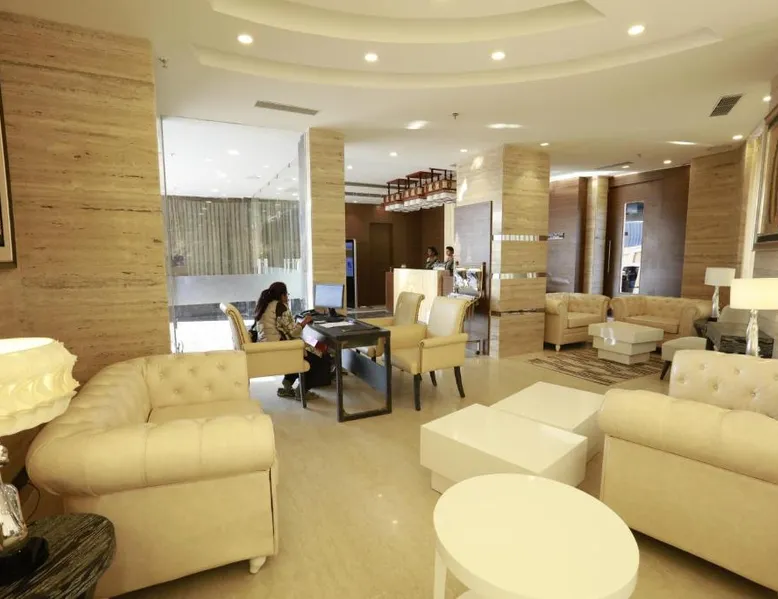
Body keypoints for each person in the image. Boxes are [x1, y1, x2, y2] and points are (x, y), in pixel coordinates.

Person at [253, 281, 321, 400]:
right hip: (280, 347)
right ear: (282, 295)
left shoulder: (265, 305)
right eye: (287, 294)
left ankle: (288, 384)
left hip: (269, 346)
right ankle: (302, 391)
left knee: (311, 345)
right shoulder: (280, 306)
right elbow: (294, 332)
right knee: (317, 355)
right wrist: (305, 322)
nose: (287, 298)